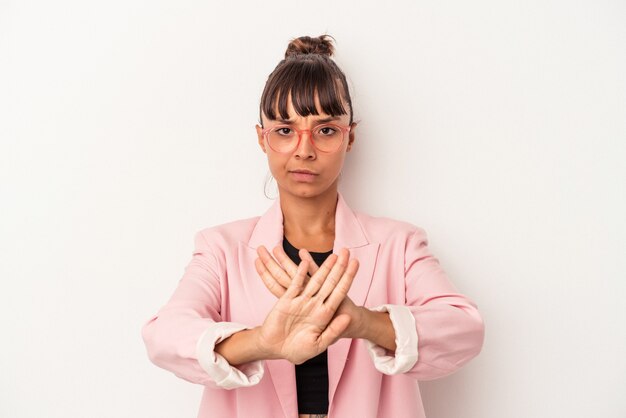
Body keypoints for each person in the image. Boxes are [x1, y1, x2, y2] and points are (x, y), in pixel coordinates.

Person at [141, 34, 485, 418]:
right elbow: (163, 335)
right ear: (262, 138)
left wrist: (363, 322)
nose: (304, 150)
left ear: (349, 136)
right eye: (285, 130)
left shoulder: (398, 245)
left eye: (325, 130)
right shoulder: (222, 248)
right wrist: (259, 343)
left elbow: (464, 329)